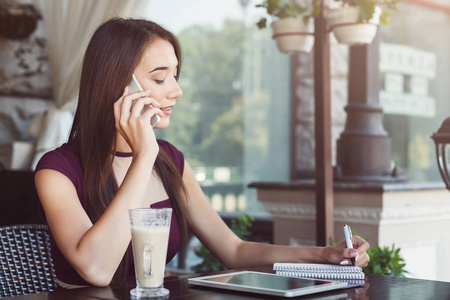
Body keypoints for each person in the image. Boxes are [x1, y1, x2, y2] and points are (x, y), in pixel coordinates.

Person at [35, 18, 370, 288]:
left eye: (175, 76)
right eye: (160, 78)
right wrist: (144, 155)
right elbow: (97, 271)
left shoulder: (171, 161)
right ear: (119, 86)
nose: (177, 91)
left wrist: (324, 254)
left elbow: (234, 250)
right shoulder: (57, 171)